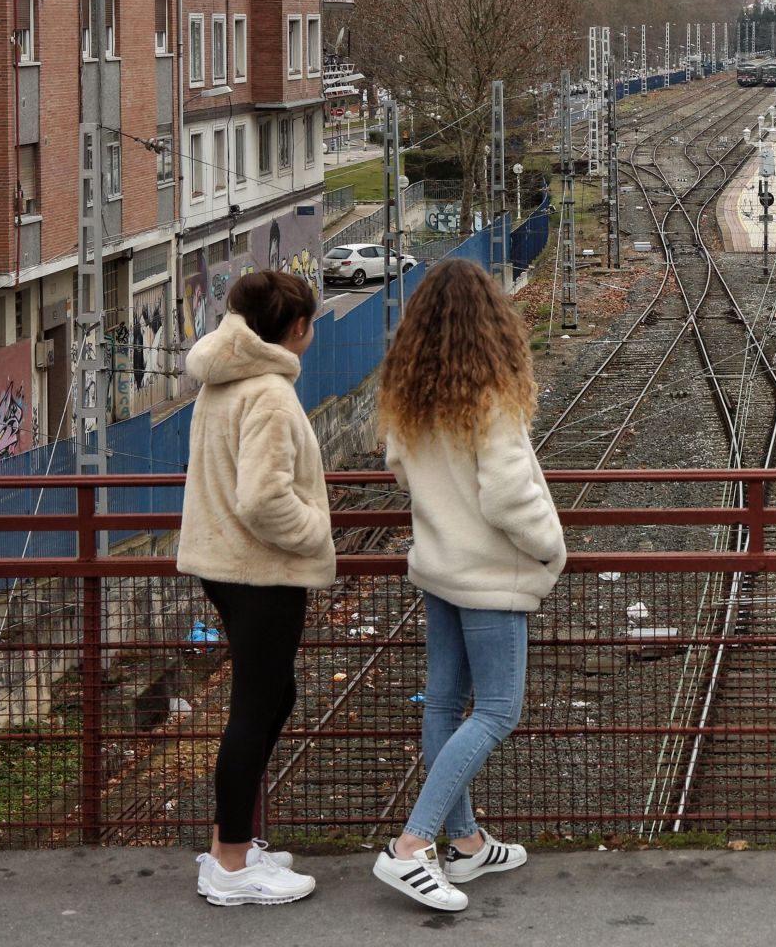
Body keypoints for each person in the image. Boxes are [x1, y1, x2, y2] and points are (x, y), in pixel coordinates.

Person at [371, 259, 566, 912]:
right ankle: (412, 845)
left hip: (439, 569)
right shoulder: (490, 398)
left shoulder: (407, 399)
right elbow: (511, 496)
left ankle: (467, 843)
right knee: (497, 709)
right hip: (488, 577)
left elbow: (401, 471)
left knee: (443, 704)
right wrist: (552, 550)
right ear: (492, 324)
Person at [177, 270, 334, 906]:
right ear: (296, 328)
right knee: (254, 711)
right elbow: (265, 500)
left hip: (224, 566)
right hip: (262, 571)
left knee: (274, 698)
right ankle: (232, 866)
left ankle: (229, 845)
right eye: (311, 322)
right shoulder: (268, 392)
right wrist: (317, 532)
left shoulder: (222, 383)